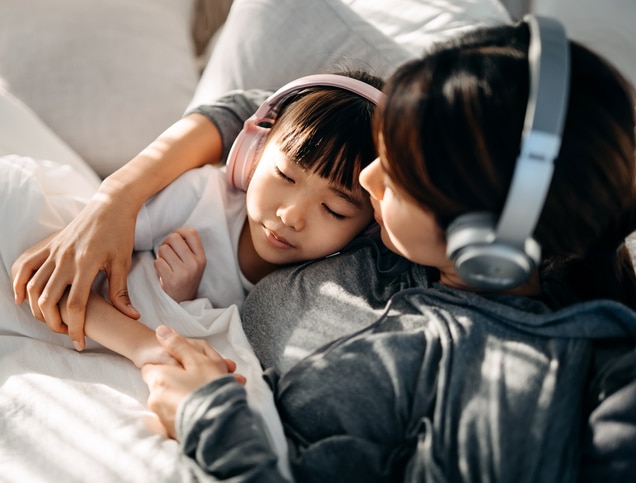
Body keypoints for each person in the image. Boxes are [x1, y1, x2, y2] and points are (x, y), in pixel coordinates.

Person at [134, 17, 636, 481]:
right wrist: (120, 197)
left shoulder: (498, 381)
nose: (367, 178)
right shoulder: (397, 239)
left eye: (396, 179)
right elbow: (287, 119)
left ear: (481, 238)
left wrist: (211, 416)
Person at [54, 72, 382, 360]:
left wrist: (183, 299)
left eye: (333, 210)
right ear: (252, 153)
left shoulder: (313, 293)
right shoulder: (199, 197)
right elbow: (67, 268)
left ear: (368, 227)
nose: (290, 215)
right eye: (284, 175)